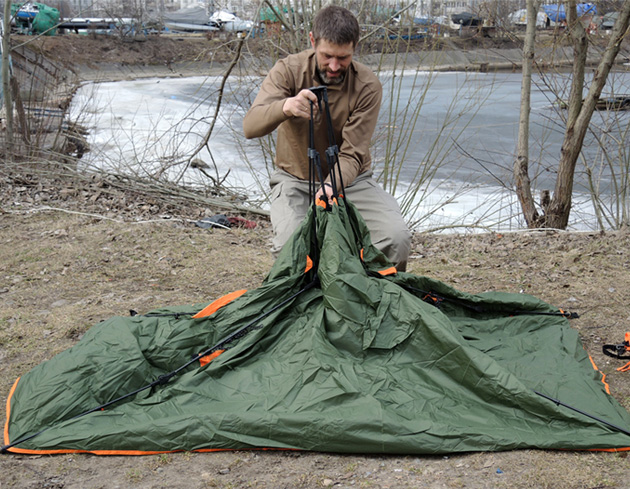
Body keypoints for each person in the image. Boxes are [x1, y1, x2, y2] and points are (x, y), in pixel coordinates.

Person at [243, 5, 411, 271]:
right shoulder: (287, 71)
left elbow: (353, 153)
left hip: (351, 181)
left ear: (355, 47)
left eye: (343, 57)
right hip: (295, 179)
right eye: (327, 55)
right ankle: (304, 296)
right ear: (313, 40)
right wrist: (285, 107)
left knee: (395, 239)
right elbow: (250, 127)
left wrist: (331, 187)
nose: (334, 66)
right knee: (290, 249)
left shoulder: (367, 85)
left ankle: (375, 293)